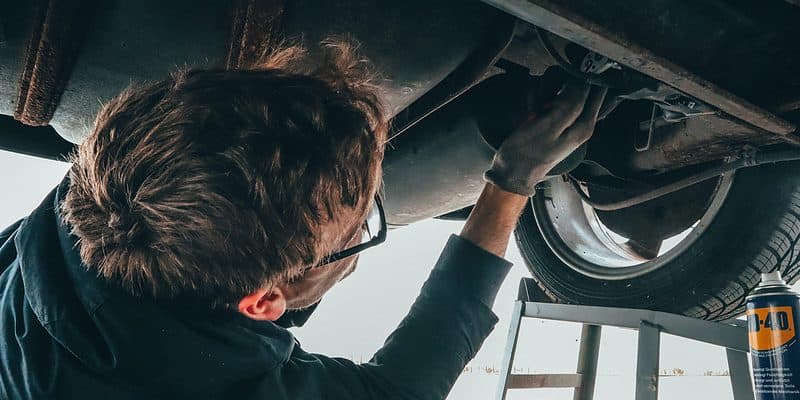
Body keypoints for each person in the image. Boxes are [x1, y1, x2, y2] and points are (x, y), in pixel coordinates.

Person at [0, 41, 606, 399]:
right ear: (262, 301)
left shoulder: (104, 186)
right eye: (358, 229)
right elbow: (399, 389)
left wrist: (509, 182)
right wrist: (509, 184)